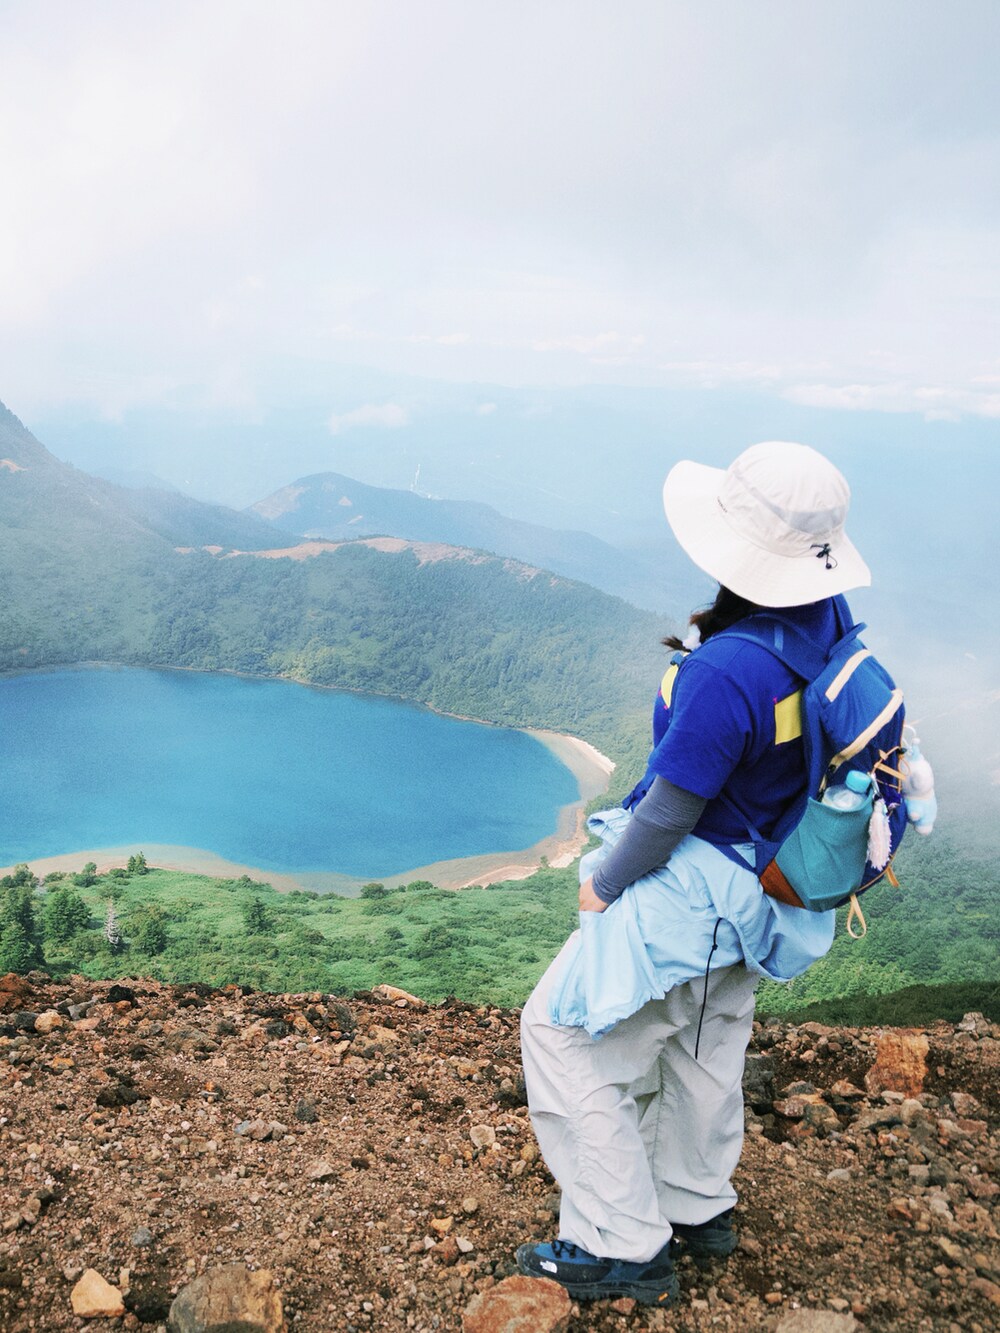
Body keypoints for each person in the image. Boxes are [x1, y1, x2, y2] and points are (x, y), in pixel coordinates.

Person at [516, 440, 875, 1307]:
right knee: (706, 1042)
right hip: (764, 897)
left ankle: (619, 1242)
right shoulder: (827, 629)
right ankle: (694, 1202)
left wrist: (602, 884)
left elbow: (671, 810)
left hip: (692, 890)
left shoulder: (727, 670)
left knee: (562, 1031)